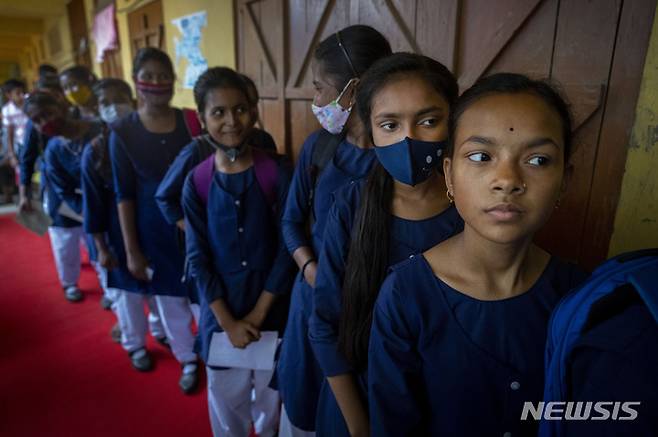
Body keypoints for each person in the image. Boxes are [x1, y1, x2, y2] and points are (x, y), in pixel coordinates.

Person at [367, 73, 589, 436]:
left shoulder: (579, 297)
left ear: (564, 180)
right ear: (450, 176)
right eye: (481, 156)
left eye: (538, 160)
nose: (507, 179)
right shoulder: (406, 297)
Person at [309, 52, 462, 437]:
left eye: (428, 120)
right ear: (371, 131)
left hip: (444, 405)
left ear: (453, 121)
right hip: (356, 403)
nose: (408, 140)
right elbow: (325, 323)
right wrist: (360, 426)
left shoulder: (472, 210)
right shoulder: (351, 205)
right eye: (389, 124)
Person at [275, 25, 392, 436]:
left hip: (368, 319)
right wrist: (310, 269)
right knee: (300, 410)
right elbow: (290, 221)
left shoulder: (398, 164)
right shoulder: (319, 148)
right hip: (311, 306)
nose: (316, 99)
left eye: (319, 87)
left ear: (354, 90)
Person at [182, 66, 295, 437]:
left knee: (269, 400)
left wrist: (260, 313)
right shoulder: (197, 181)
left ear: (254, 110)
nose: (232, 121)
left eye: (241, 109)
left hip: (273, 313)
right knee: (225, 400)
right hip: (221, 317)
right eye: (218, 112)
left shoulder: (276, 172)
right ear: (201, 118)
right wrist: (228, 322)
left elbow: (286, 248)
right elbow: (198, 257)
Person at [109, 47, 199, 393]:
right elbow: (123, 194)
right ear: (136, 81)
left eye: (164, 76)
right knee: (170, 299)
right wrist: (132, 250)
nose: (157, 82)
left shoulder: (190, 120)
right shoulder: (122, 131)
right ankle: (188, 359)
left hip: (194, 225)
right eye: (149, 76)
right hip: (153, 231)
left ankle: (217, 353)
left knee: (202, 297)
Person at [81, 78, 168, 361]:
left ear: (132, 100)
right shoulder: (94, 151)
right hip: (116, 237)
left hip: (148, 231)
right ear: (97, 108)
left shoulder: (142, 139)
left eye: (119, 99)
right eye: (105, 102)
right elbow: (92, 206)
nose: (112, 107)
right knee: (128, 297)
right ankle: (135, 345)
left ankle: (160, 330)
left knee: (157, 289)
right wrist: (101, 248)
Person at [23, 91, 102, 302]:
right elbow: (28, 160)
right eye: (37, 121)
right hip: (64, 203)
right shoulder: (52, 149)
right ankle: (69, 283)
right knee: (65, 245)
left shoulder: (97, 129)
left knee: (97, 245)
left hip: (100, 202)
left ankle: (110, 289)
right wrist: (85, 211)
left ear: (61, 106)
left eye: (47, 114)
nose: (45, 122)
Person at [1, 79, 28, 202]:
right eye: (18, 93)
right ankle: (22, 196)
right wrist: (11, 154)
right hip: (21, 144)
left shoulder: (29, 103)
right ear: (8, 95)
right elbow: (10, 134)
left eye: (22, 92)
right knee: (17, 167)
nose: (22, 95)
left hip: (35, 142)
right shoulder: (7, 110)